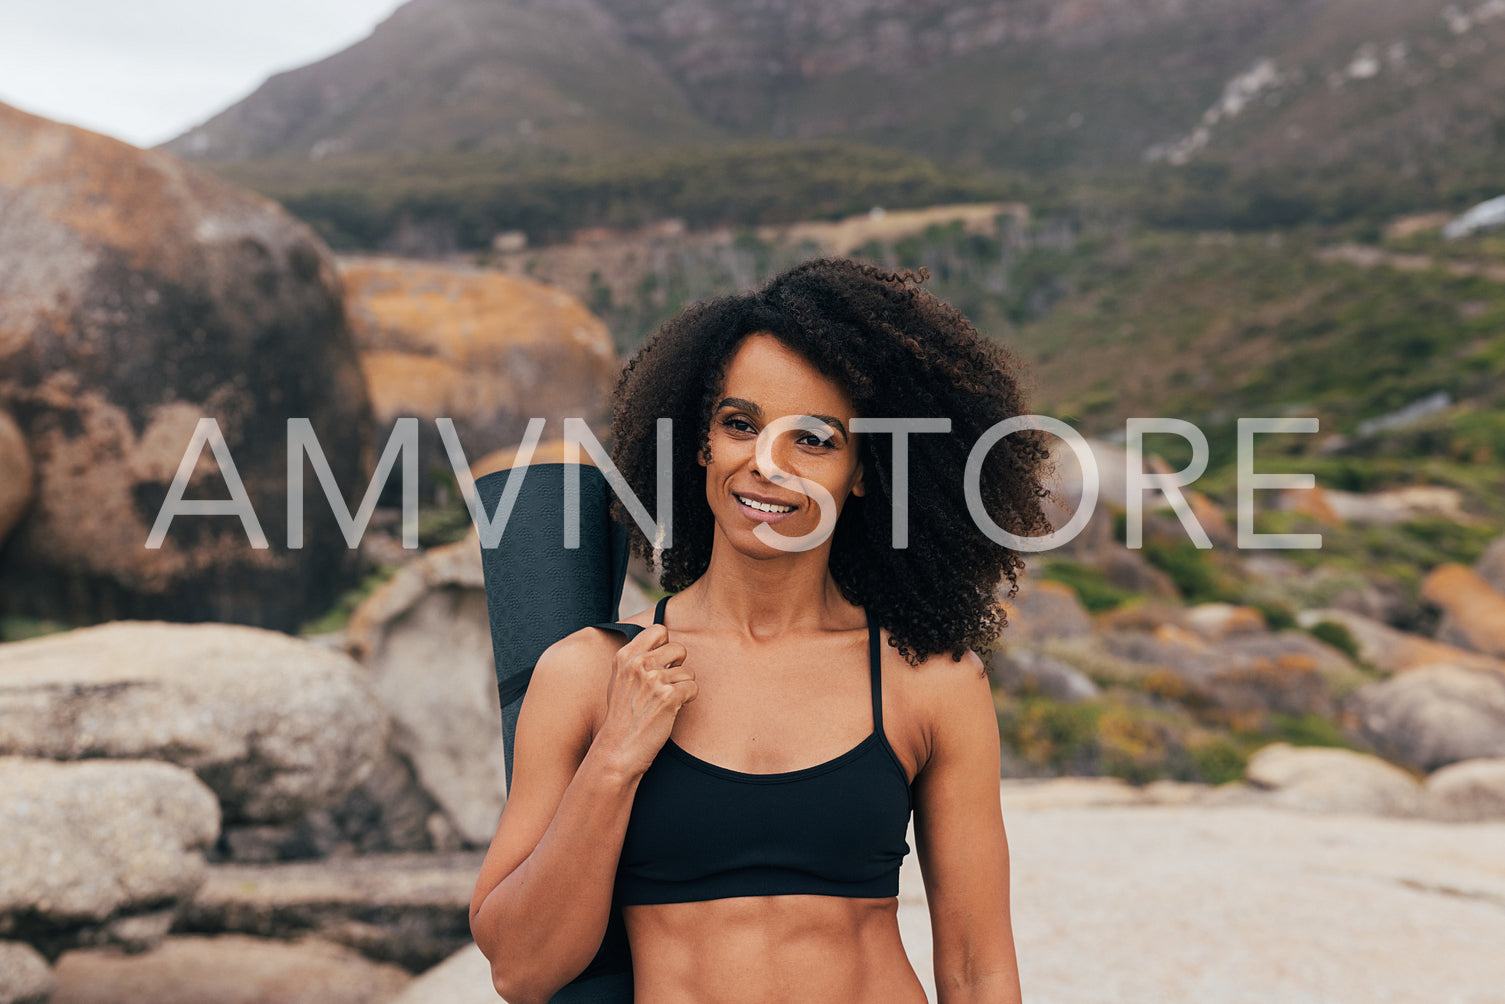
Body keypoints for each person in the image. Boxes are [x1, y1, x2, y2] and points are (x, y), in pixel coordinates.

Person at [470, 257, 1051, 1003]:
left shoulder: (930, 681)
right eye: (740, 424)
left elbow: (977, 970)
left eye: (812, 439)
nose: (766, 464)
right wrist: (614, 757)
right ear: (702, 442)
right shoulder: (592, 673)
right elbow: (521, 970)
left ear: (863, 472)